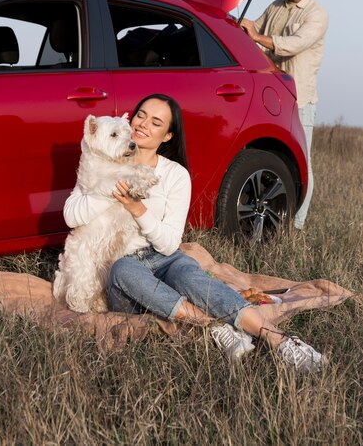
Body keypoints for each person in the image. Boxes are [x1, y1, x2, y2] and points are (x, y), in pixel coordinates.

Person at [64, 94, 326, 372]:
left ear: (167, 136)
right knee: (124, 271)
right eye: (141, 115)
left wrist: (137, 208)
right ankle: (214, 326)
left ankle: (282, 342)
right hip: (127, 264)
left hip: (163, 257)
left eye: (156, 123)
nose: (142, 125)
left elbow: (168, 244)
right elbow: (71, 214)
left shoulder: (175, 174)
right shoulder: (105, 164)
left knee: (190, 276)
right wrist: (112, 190)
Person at [240, 0, 329, 229]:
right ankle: (271, 214)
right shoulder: (276, 6)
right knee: (272, 156)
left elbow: (292, 45)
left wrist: (255, 36)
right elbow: (253, 27)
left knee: (303, 163)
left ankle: (297, 226)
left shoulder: (317, 15)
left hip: (300, 100)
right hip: (271, 97)